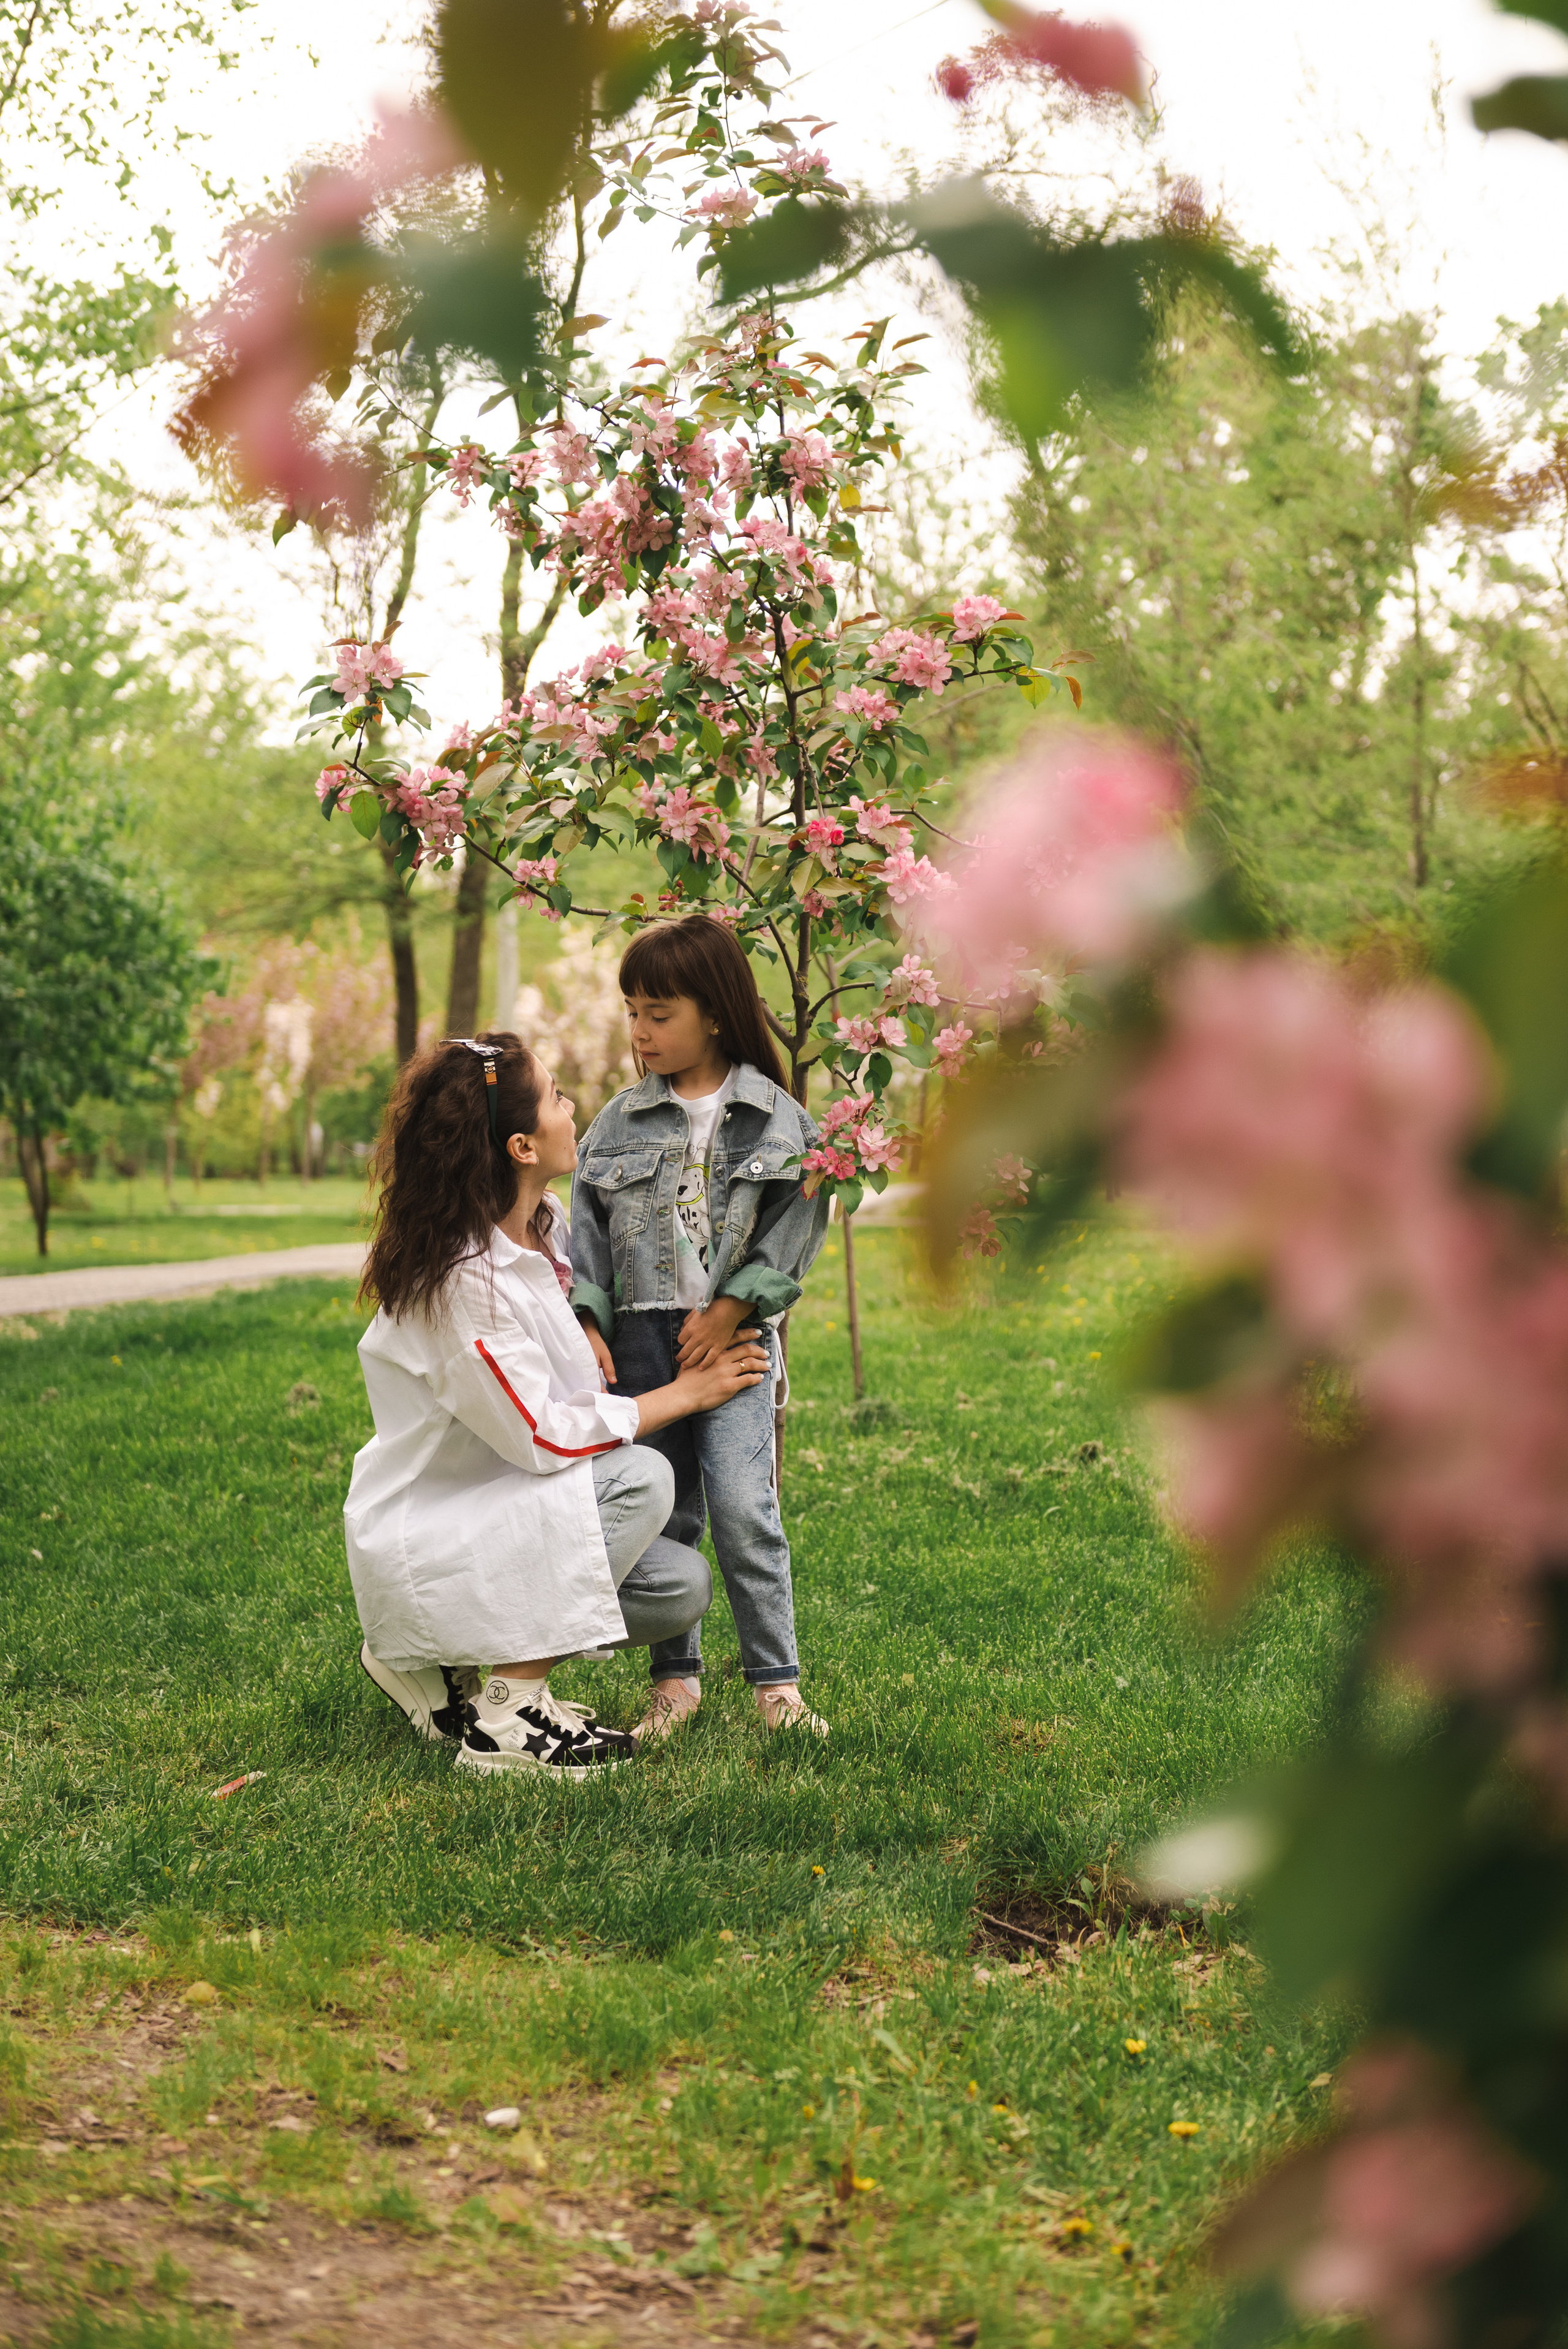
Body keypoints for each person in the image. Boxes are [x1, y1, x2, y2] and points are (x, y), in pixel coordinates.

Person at [343, 1031, 772, 1781]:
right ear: (520, 1146)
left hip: (500, 1511)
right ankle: (508, 1711)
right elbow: (542, 1436)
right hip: (443, 1530)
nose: (573, 1110)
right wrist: (683, 1396)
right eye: (556, 1098)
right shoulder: (463, 1282)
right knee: (640, 1480)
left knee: (677, 1587)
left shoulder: (543, 1228)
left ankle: (440, 1664)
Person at [570, 916, 829, 1742]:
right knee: (665, 1511)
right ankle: (674, 1682)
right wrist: (588, 1319)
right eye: (632, 1013)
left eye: (659, 1014)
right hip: (641, 1344)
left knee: (746, 1510)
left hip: (736, 1343)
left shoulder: (776, 1119)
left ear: (714, 1013)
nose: (639, 1032)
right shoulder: (616, 1123)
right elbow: (584, 1233)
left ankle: (777, 1686)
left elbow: (800, 1218)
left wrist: (732, 1308)